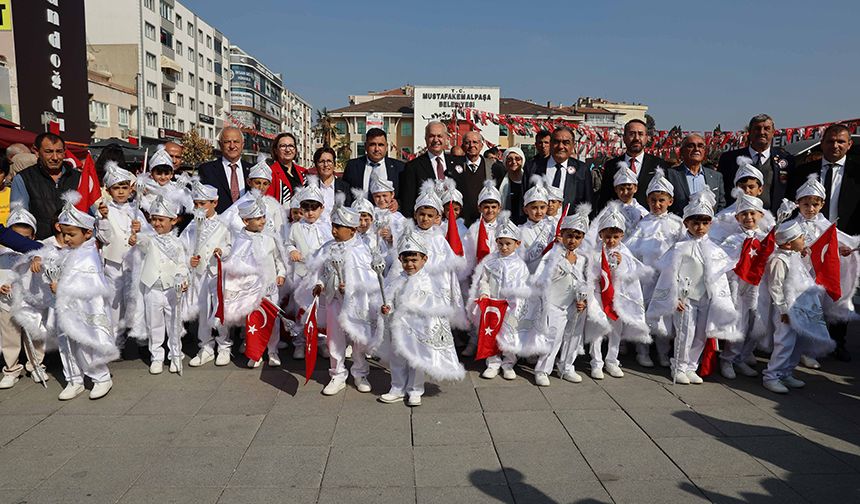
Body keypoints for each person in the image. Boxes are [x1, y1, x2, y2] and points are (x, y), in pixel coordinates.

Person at [647, 189, 740, 384]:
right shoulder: (679, 248)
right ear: (686, 223)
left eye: (705, 223)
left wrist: (719, 299)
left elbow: (720, 277)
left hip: (706, 297)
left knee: (700, 334)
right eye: (695, 223)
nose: (700, 227)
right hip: (686, 298)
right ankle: (678, 365)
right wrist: (674, 297)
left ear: (710, 224)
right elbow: (669, 275)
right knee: (685, 332)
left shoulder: (714, 250)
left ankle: (691, 366)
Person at [379, 229, 465, 406]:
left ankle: (415, 390)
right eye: (406, 260)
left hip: (417, 328)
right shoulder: (397, 279)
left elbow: (431, 305)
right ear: (400, 260)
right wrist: (386, 307)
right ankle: (397, 387)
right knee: (397, 358)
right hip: (398, 328)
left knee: (416, 360)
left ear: (424, 259)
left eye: (414, 260)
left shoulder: (428, 281)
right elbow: (388, 297)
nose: (410, 264)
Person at [305, 198, 381, 396]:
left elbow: (370, 278)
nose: (334, 231)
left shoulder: (362, 251)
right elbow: (321, 271)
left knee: (358, 338)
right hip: (334, 301)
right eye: (333, 226)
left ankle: (360, 372)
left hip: (355, 303)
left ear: (352, 230)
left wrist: (353, 286)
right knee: (335, 338)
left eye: (339, 227)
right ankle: (337, 373)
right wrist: (320, 284)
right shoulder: (327, 247)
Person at [531, 204, 608, 385]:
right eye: (569, 236)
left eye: (577, 237)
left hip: (575, 304)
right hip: (555, 304)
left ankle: (566, 366)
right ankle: (543, 369)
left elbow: (588, 281)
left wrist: (584, 299)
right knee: (553, 337)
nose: (572, 240)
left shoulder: (583, 259)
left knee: (573, 337)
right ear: (562, 235)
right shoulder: (552, 255)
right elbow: (541, 278)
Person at [51, 191, 117, 400]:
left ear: (87, 234)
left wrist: (60, 288)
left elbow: (85, 285)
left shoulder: (87, 255)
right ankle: (74, 378)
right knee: (67, 343)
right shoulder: (71, 252)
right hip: (67, 307)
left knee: (86, 342)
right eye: (64, 234)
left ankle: (101, 377)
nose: (66, 238)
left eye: (71, 234)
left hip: (84, 309)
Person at [791, 172, 859, 365]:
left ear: (821, 205)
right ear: (798, 203)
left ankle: (808, 350)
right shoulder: (792, 224)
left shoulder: (825, 225)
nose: (810, 209)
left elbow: (836, 243)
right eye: (806, 204)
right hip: (797, 275)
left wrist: (843, 249)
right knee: (796, 311)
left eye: (815, 204)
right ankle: (789, 347)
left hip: (817, 277)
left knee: (815, 312)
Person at [760, 220, 833, 394]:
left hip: (799, 309)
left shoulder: (793, 255)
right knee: (784, 343)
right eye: (800, 237)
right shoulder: (778, 260)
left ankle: (786, 372)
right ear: (788, 243)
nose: (804, 239)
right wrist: (783, 310)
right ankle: (771, 376)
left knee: (797, 343)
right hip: (786, 311)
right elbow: (775, 287)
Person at [625, 169, 685, 368]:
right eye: (653, 200)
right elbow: (631, 248)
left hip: (666, 277)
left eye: (661, 200)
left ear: (670, 200)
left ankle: (663, 351)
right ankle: (643, 350)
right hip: (646, 278)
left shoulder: (678, 224)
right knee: (644, 313)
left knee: (664, 314)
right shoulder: (643, 224)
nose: (657, 205)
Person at [468, 213, 535, 380]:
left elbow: (523, 287)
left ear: (517, 244)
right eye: (501, 243)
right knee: (491, 333)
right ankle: (492, 362)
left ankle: (509, 362)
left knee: (510, 333)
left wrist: (518, 304)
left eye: (508, 244)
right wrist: (484, 292)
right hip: (493, 304)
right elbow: (484, 280)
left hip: (511, 306)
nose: (504, 247)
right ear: (496, 243)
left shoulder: (520, 265)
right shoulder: (490, 262)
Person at [128, 195, 189, 375]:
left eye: (161, 220)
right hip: (153, 288)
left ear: (173, 220)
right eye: (154, 219)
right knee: (154, 324)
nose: (157, 223)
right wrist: (135, 236)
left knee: (174, 324)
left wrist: (183, 280)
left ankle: (175, 355)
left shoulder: (178, 243)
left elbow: (182, 265)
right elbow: (141, 242)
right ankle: (156, 356)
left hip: (172, 289)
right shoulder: (149, 239)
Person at [589, 202, 650, 380]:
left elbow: (633, 273)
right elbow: (590, 273)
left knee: (616, 329)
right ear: (601, 234)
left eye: (615, 237)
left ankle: (612, 360)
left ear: (622, 235)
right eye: (607, 236)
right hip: (600, 296)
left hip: (617, 297)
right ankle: (596, 362)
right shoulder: (595, 252)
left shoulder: (625, 252)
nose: (611, 241)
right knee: (598, 329)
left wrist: (622, 262)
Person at [227, 195, 287, 368]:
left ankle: (273, 350)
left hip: (270, 288)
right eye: (257, 218)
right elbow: (236, 264)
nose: (262, 221)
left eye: (263, 217)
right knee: (253, 322)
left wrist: (281, 273)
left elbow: (278, 259)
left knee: (273, 321)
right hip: (251, 290)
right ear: (246, 221)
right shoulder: (239, 240)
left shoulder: (270, 237)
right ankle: (255, 352)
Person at [716, 192, 771, 380]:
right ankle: (727, 359)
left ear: (760, 215)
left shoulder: (765, 239)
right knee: (739, 324)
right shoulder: (732, 240)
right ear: (737, 217)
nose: (748, 218)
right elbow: (723, 263)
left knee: (756, 324)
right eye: (744, 214)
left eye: (752, 213)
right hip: (738, 287)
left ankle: (743, 357)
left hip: (758, 287)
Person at [96, 161, 147, 350]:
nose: (120, 192)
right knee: (115, 302)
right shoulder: (104, 211)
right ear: (109, 190)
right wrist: (103, 219)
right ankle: (116, 336)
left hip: (133, 263)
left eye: (124, 188)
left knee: (135, 297)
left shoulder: (137, 211)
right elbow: (104, 237)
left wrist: (139, 232)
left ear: (130, 190)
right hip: (113, 263)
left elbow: (148, 236)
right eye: (116, 188)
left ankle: (139, 331)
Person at [183, 181, 233, 367]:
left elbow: (231, 246)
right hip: (199, 274)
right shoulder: (191, 226)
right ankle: (205, 346)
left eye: (203, 203)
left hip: (216, 274)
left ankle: (224, 345)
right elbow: (182, 247)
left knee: (219, 310)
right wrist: (189, 259)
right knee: (203, 311)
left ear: (214, 203)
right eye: (196, 204)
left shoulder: (224, 225)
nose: (199, 207)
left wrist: (222, 251)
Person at [0, 205, 46, 389]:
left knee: (34, 332)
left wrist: (37, 256)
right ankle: (11, 368)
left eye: (24, 238)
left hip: (29, 300)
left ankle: (36, 364)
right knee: (10, 335)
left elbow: (44, 255)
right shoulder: (2, 252)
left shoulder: (35, 251)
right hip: (6, 301)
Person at [284, 182, 331, 360]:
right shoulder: (296, 227)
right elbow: (288, 243)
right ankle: (300, 343)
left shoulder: (327, 227)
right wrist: (292, 251)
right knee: (301, 308)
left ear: (322, 208)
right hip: (301, 274)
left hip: (319, 275)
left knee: (320, 309)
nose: (310, 212)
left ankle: (321, 341)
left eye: (314, 208)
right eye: (306, 208)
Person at [10, 132, 82, 240]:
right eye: (48, 152)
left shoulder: (78, 177)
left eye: (59, 152)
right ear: (37, 152)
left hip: (75, 246)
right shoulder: (23, 179)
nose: (55, 157)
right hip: (41, 247)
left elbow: (89, 214)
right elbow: (20, 221)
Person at [718, 114, 794, 209]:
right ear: (749, 132)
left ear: (773, 132)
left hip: (773, 220)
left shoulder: (786, 159)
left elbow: (791, 191)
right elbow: (722, 194)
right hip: (739, 219)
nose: (762, 132)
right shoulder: (729, 159)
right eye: (757, 128)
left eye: (767, 128)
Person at [597, 119, 671, 211]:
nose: (636, 138)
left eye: (640, 134)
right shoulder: (611, 166)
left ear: (646, 138)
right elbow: (605, 199)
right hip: (619, 221)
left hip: (649, 221)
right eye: (632, 134)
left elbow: (665, 196)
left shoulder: (659, 165)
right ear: (624, 138)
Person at [399, 121, 465, 217]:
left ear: (446, 138)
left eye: (439, 136)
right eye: (431, 136)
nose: (436, 140)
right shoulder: (413, 166)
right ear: (426, 139)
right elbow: (408, 202)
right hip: (426, 226)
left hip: (454, 224)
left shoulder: (458, 163)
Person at [708, 158, 774, 245]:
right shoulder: (722, 217)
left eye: (751, 187)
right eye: (742, 187)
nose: (746, 191)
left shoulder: (768, 218)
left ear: (760, 189)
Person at [524, 126, 592, 208]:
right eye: (556, 142)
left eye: (566, 142)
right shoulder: (532, 167)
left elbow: (588, 203)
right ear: (551, 144)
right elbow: (523, 200)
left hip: (570, 220)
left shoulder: (582, 169)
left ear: (573, 145)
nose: (560, 146)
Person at [447, 131, 504, 226]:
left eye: (475, 142)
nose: (471, 145)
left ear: (481, 145)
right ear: (463, 146)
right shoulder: (453, 167)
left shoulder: (493, 166)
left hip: (486, 220)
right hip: (461, 221)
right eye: (467, 142)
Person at [667, 134, 726, 215]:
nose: (696, 149)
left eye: (700, 146)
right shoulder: (670, 175)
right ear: (682, 151)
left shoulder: (716, 176)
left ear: (704, 151)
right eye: (691, 146)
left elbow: (721, 206)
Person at [198, 127, 250, 213]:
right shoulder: (207, 170)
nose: (232, 146)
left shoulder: (252, 170)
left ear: (242, 144)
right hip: (218, 223)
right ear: (220, 144)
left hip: (246, 223)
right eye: (227, 142)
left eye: (236, 142)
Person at [342, 128, 404, 197]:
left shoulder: (400, 168)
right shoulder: (352, 166)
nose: (377, 149)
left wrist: (397, 203)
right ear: (365, 146)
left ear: (386, 147)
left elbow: (405, 196)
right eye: (372, 144)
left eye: (380, 145)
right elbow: (345, 193)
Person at [310, 147, 351, 213]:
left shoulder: (345, 187)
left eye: (329, 161)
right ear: (316, 165)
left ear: (334, 164)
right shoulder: (310, 186)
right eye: (321, 161)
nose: (326, 165)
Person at [270, 133, 308, 203]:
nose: (287, 150)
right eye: (283, 146)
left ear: (295, 150)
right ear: (275, 150)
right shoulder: (270, 172)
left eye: (291, 146)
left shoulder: (303, 172)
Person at [497, 147, 528, 225]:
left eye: (517, 159)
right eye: (509, 159)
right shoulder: (499, 183)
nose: (514, 162)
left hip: (526, 224)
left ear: (522, 161)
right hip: (506, 224)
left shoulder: (528, 181)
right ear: (505, 162)